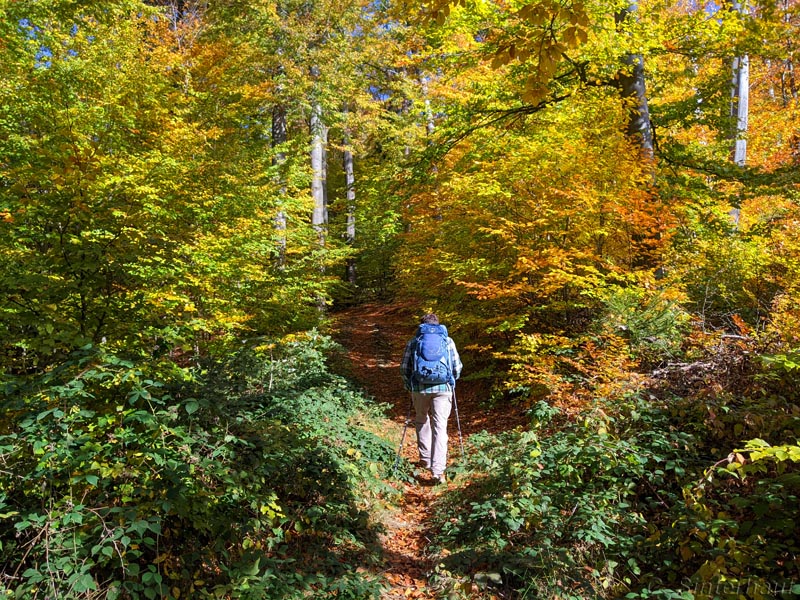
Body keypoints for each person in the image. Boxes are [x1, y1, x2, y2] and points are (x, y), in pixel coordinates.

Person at [400, 313, 462, 484]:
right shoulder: (447, 341)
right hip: (443, 389)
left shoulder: (414, 342)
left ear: (422, 326)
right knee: (440, 428)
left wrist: (409, 385)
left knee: (421, 420)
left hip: (419, 388)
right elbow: (456, 366)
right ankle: (437, 471)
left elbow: (405, 368)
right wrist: (452, 382)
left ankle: (425, 459)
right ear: (438, 325)